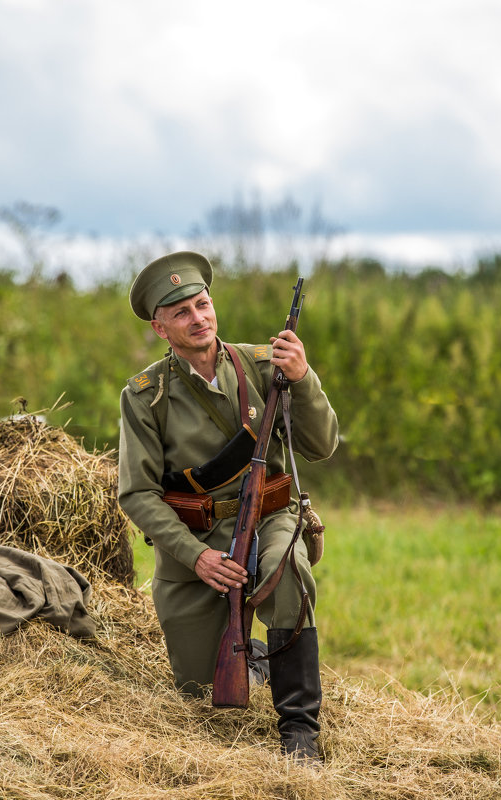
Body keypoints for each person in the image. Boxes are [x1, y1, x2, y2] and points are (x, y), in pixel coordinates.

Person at [117, 252, 339, 762]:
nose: (198, 318)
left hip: (269, 515)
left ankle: (300, 729)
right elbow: (137, 494)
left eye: (203, 304)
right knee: (202, 698)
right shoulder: (145, 396)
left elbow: (321, 446)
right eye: (182, 313)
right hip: (193, 542)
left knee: (285, 575)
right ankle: (259, 659)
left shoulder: (265, 367)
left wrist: (304, 379)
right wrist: (195, 556)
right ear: (160, 328)